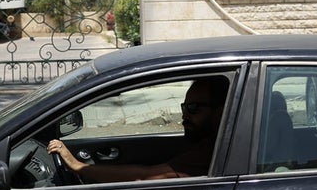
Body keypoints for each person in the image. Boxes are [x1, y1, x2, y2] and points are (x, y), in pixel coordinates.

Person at [48, 76, 228, 182]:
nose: (185, 116)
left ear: (220, 112)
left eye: (193, 109)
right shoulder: (215, 145)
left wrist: (79, 167)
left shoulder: (212, 152)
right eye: (184, 108)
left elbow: (147, 175)